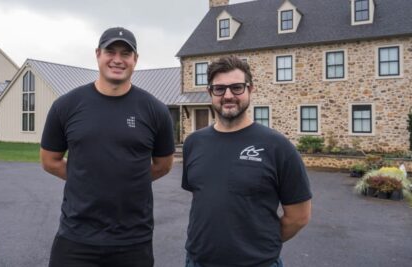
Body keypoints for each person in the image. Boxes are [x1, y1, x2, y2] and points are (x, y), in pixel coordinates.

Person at [40, 27, 175, 267]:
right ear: (97, 54)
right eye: (110, 51)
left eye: (125, 53)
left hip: (133, 240)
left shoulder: (155, 110)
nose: (117, 59)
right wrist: (87, 179)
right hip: (76, 238)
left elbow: (163, 165)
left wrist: (128, 179)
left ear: (135, 59)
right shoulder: (67, 105)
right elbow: (50, 160)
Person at [182, 56, 312, 267]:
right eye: (219, 89)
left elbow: (299, 217)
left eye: (237, 87)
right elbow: (203, 200)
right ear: (210, 93)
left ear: (250, 89)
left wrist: (259, 247)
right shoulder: (194, 143)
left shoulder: (277, 146)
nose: (228, 95)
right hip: (198, 261)